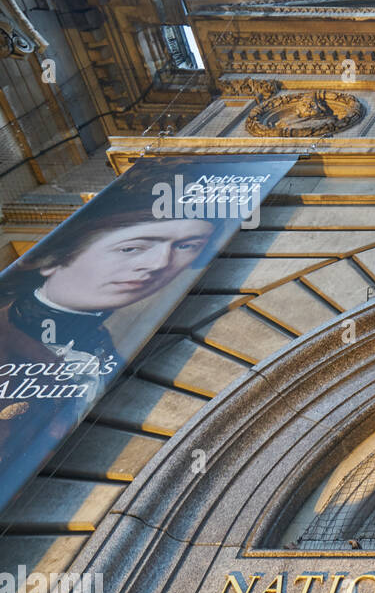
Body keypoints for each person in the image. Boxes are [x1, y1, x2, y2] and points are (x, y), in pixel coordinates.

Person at [0, 205, 218, 497]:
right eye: (131, 248)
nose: (159, 264)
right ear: (53, 259)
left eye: (186, 246)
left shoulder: (113, 350)